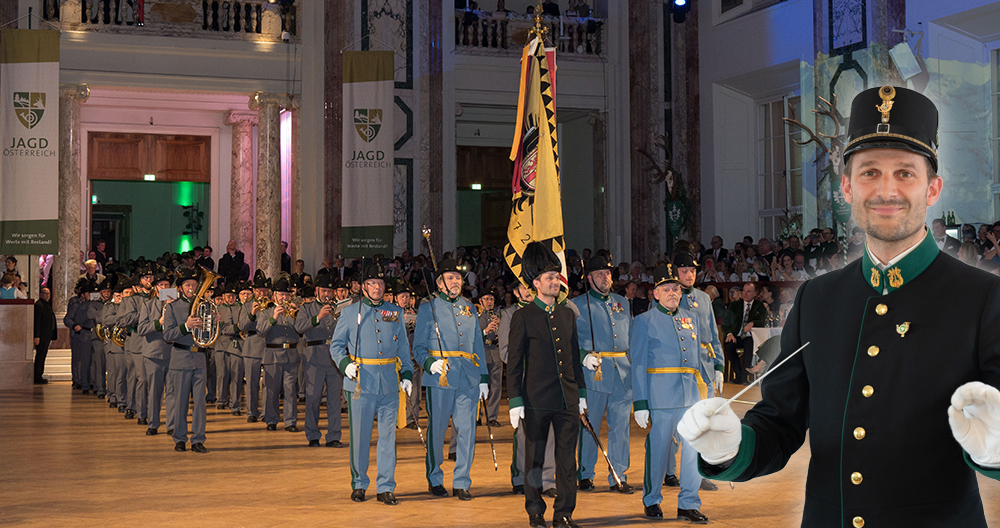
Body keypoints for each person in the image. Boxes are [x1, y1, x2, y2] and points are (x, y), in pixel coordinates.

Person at [678, 86, 1000, 527]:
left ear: (933, 188)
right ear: (847, 187)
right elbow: (780, 422)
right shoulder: (817, 299)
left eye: (905, 173)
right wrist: (732, 447)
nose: (886, 190)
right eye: (869, 173)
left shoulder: (983, 297)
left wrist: (997, 451)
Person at [507, 242, 586, 528]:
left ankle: (564, 512)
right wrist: (515, 400)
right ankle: (535, 511)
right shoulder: (523, 316)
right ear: (536, 283)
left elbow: (575, 357)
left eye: (557, 276)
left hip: (567, 398)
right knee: (535, 461)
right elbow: (514, 362)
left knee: (567, 461)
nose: (556, 281)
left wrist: (582, 393)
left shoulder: (566, 314)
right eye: (550, 278)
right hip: (536, 400)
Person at [631, 264, 710, 523]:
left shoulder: (691, 317)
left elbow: (697, 359)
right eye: (666, 289)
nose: (672, 293)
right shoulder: (643, 321)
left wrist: (706, 390)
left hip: (690, 397)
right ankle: (652, 499)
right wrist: (640, 402)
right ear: (655, 294)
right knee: (659, 451)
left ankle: (688, 502)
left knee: (692, 452)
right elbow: (639, 363)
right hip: (660, 397)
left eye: (675, 288)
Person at [330, 262, 412, 505]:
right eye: (372, 283)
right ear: (363, 287)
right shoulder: (348, 312)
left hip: (388, 382)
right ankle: (359, 483)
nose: (377, 287)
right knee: (360, 436)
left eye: (380, 283)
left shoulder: (395, 312)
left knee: (388, 437)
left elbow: (403, 348)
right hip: (360, 382)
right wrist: (345, 364)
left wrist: (406, 374)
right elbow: (335, 346)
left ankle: (386, 486)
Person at [413, 258, 489, 501]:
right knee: (437, 430)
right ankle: (435, 478)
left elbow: (477, 344)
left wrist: (484, 377)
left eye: (458, 277)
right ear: (439, 283)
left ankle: (462, 481)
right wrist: (429, 363)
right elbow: (418, 348)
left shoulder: (469, 308)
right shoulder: (428, 308)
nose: (456, 281)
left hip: (468, 375)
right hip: (441, 376)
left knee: (467, 431)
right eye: (450, 277)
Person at [570, 253, 635, 494]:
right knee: (590, 424)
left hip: (622, 372)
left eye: (608, 273)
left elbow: (630, 335)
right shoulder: (577, 305)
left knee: (621, 427)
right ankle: (585, 472)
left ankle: (619, 474)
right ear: (589, 278)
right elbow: (569, 340)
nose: (605, 277)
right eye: (599, 274)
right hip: (594, 371)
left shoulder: (622, 301)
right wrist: (582, 356)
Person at [162, 267, 210, 453]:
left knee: (200, 403)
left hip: (199, 358)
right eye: (188, 285)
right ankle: (180, 438)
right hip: (180, 357)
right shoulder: (173, 307)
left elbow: (208, 335)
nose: (191, 288)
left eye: (194, 285)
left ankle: (198, 439)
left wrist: (214, 323)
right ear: (180, 288)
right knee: (180, 402)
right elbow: (168, 335)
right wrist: (186, 327)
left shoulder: (204, 306)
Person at [295, 272, 345, 448]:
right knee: (313, 397)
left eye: (329, 291)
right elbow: (299, 327)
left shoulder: (338, 308)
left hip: (334, 357)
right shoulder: (307, 308)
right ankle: (312, 434)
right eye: (324, 291)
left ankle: (334, 436)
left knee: (334, 399)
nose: (327, 294)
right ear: (316, 290)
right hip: (314, 357)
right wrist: (318, 318)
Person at [256, 274, 301, 432]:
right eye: (281, 294)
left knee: (290, 390)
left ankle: (290, 422)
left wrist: (299, 315)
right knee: (272, 390)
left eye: (287, 295)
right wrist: (273, 318)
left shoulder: (293, 310)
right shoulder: (266, 311)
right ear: (274, 295)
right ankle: (271, 419)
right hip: (273, 355)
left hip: (291, 354)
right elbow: (260, 331)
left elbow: (300, 331)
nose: (284, 297)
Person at [137, 269, 175, 435]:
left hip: (174, 352)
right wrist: (158, 323)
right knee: (154, 391)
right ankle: (153, 424)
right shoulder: (148, 305)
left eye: (167, 285)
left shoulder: (177, 305)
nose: (164, 287)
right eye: (161, 285)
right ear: (156, 288)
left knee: (173, 391)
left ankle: (172, 425)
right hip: (154, 353)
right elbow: (141, 328)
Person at [239, 270, 271, 423]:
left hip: (268, 345)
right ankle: (252, 412)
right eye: (259, 290)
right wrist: (252, 313)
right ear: (253, 291)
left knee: (268, 383)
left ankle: (266, 412)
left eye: (264, 290)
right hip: (252, 345)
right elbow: (241, 325)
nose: (261, 293)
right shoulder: (247, 306)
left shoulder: (271, 304)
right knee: (251, 382)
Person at [721, 281, 766, 385]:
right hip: (736, 336)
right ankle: (739, 375)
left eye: (749, 291)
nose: (745, 294)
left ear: (755, 293)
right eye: (744, 291)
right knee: (728, 345)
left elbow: (763, 321)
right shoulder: (734, 305)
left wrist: (753, 323)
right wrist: (729, 334)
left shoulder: (759, 306)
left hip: (750, 336)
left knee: (749, 343)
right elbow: (725, 325)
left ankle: (744, 377)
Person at [477, 289, 503, 426]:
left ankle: (492, 417)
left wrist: (500, 326)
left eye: (491, 299)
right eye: (486, 299)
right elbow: (472, 336)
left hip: (495, 353)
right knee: (479, 385)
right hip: (481, 353)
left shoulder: (498, 315)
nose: (489, 302)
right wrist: (485, 331)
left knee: (496, 387)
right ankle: (478, 415)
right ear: (480, 301)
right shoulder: (476, 316)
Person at [33, 287, 57, 384]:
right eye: (45, 293)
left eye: (48, 294)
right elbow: (37, 322)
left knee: (42, 355)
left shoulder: (46, 305)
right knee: (40, 355)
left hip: (46, 335)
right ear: (41, 294)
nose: (47, 295)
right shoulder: (39, 305)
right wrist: (36, 336)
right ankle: (37, 375)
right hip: (41, 336)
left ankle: (39, 374)